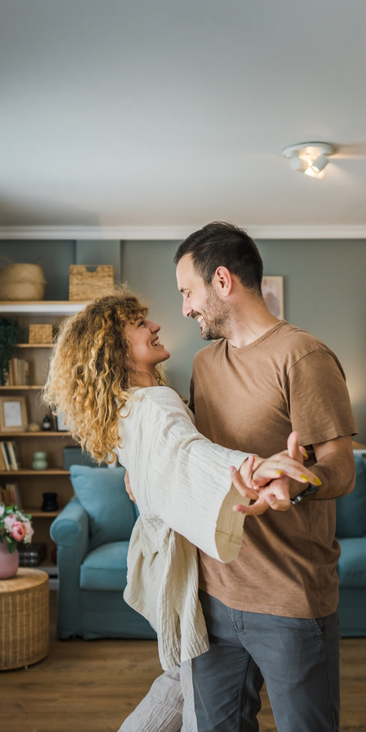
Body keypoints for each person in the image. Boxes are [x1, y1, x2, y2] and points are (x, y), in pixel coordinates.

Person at [42, 290, 318, 732]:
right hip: (179, 561)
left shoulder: (132, 401)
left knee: (183, 676)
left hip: (162, 555)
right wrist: (254, 467)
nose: (154, 326)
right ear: (113, 348)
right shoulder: (154, 404)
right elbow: (188, 453)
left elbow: (165, 459)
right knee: (198, 698)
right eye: (139, 323)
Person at [173, 222, 357, 732]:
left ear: (223, 281)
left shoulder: (303, 355)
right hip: (215, 593)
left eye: (189, 291)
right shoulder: (204, 364)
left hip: (291, 600)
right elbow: (195, 456)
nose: (186, 308)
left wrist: (296, 484)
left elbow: (342, 465)